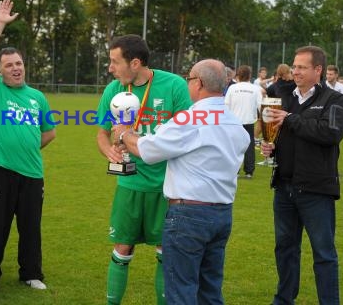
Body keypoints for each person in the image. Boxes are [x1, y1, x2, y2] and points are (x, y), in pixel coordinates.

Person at [113, 59, 249, 304]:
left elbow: (148, 150)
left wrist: (124, 133)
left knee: (181, 290)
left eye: (189, 78)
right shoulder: (233, 120)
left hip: (188, 215)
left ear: (200, 83)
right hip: (221, 214)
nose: (187, 83)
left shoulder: (190, 119)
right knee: (210, 290)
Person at [96, 34, 192, 305]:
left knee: (166, 251)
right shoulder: (113, 90)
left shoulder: (173, 86)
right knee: (122, 247)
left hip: (167, 185)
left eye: (115, 62)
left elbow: (187, 133)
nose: (111, 68)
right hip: (130, 184)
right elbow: (101, 134)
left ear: (135, 63)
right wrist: (110, 150)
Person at [260, 46, 343, 305]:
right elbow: (285, 133)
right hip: (284, 188)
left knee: (324, 254)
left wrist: (290, 120)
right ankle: (283, 300)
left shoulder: (335, 100)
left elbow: (330, 133)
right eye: (294, 66)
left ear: (318, 70)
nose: (295, 71)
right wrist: (271, 145)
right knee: (285, 251)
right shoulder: (286, 96)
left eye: (301, 67)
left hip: (316, 191)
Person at [0, 0, 56, 292]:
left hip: (33, 173)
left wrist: (26, 148)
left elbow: (49, 133)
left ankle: (31, 273)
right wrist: (0, 22)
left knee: (30, 227)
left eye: (19, 64)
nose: (15, 69)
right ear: (0, 70)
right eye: (9, 65)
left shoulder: (37, 96)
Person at [224, 65, 262, 179]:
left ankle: (234, 170)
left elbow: (226, 105)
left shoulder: (232, 88)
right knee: (249, 146)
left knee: (234, 147)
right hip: (249, 121)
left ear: (238, 76)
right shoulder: (255, 88)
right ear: (250, 75)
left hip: (234, 122)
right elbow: (261, 105)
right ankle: (249, 172)